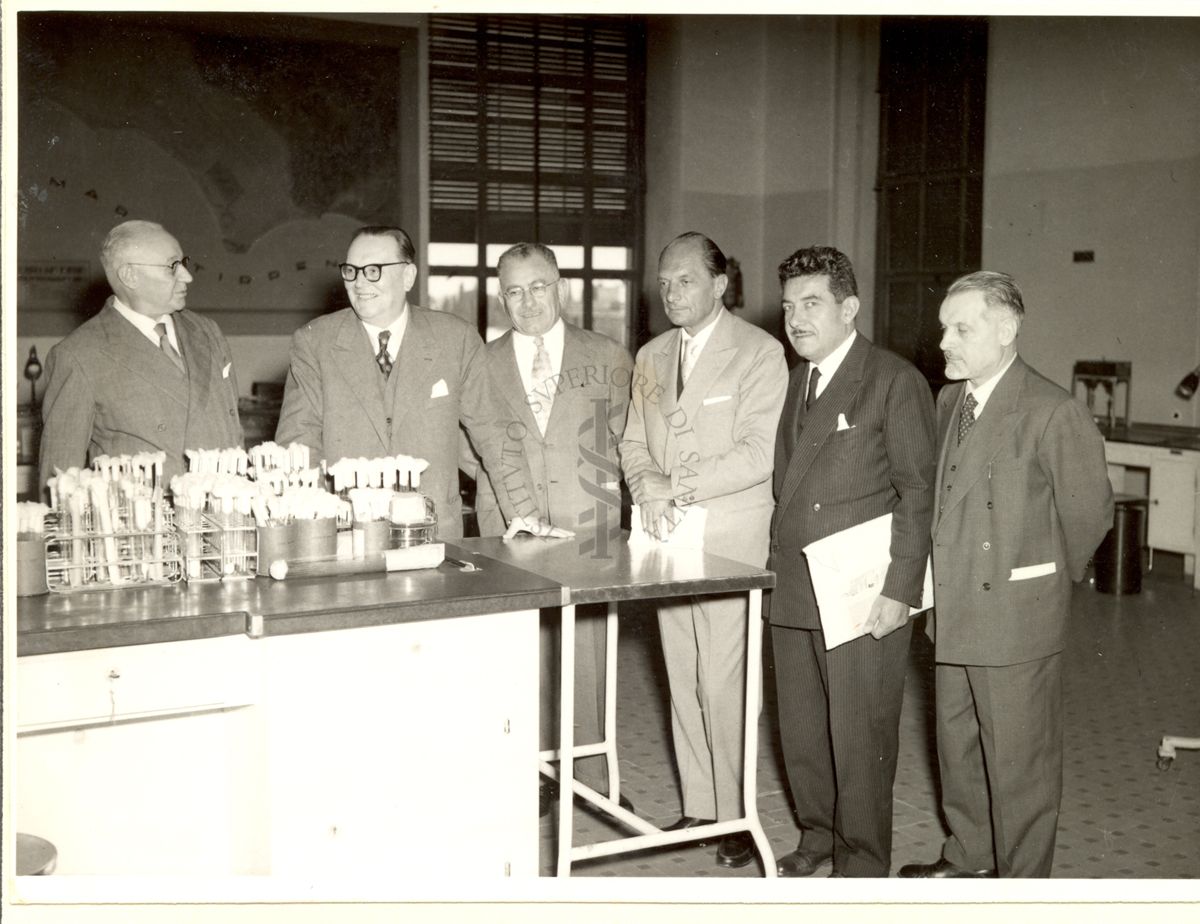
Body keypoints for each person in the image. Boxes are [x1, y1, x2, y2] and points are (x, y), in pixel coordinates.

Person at [898, 271, 1114, 879]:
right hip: (954, 608)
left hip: (1015, 618)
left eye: (960, 328)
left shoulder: (1051, 409)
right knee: (958, 748)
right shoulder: (950, 401)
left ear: (1007, 328)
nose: (945, 342)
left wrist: (1036, 580)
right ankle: (968, 857)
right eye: (944, 328)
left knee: (1020, 767)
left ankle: (1020, 890)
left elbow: (1090, 513)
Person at [620, 231, 788, 869]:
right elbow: (634, 441)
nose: (671, 293)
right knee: (680, 667)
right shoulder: (652, 355)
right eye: (664, 282)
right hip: (665, 535)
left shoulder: (759, 353)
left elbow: (755, 453)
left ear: (721, 284)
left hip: (730, 538)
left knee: (725, 677)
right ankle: (699, 803)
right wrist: (647, 488)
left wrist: (674, 485)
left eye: (685, 280)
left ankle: (738, 814)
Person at [767, 246, 936, 878]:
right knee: (805, 731)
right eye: (788, 306)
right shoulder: (798, 379)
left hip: (862, 593)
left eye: (811, 304)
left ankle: (863, 863)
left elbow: (919, 491)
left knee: (861, 736)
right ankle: (819, 837)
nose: (795, 318)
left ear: (850, 307)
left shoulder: (892, 380)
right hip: (795, 587)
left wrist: (901, 589)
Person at [467, 242, 635, 815]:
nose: (528, 301)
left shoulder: (608, 355)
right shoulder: (481, 361)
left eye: (538, 287)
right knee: (520, 648)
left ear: (560, 288)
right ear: (500, 298)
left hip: (587, 524)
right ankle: (529, 771)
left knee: (586, 651)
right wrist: (507, 493)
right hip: (509, 525)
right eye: (514, 291)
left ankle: (589, 774)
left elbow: (626, 436)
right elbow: (467, 445)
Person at [275, 225, 558, 539]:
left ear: (408, 276)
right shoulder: (314, 343)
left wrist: (526, 515)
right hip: (345, 539)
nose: (359, 283)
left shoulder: (456, 338)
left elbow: (495, 436)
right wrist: (313, 535)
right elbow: (297, 447)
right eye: (351, 271)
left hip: (436, 538)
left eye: (373, 271)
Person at [38, 219, 242, 492]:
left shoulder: (206, 331)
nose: (187, 276)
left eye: (184, 263)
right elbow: (59, 481)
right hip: (146, 525)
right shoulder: (79, 355)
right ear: (130, 276)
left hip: (226, 516)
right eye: (173, 267)